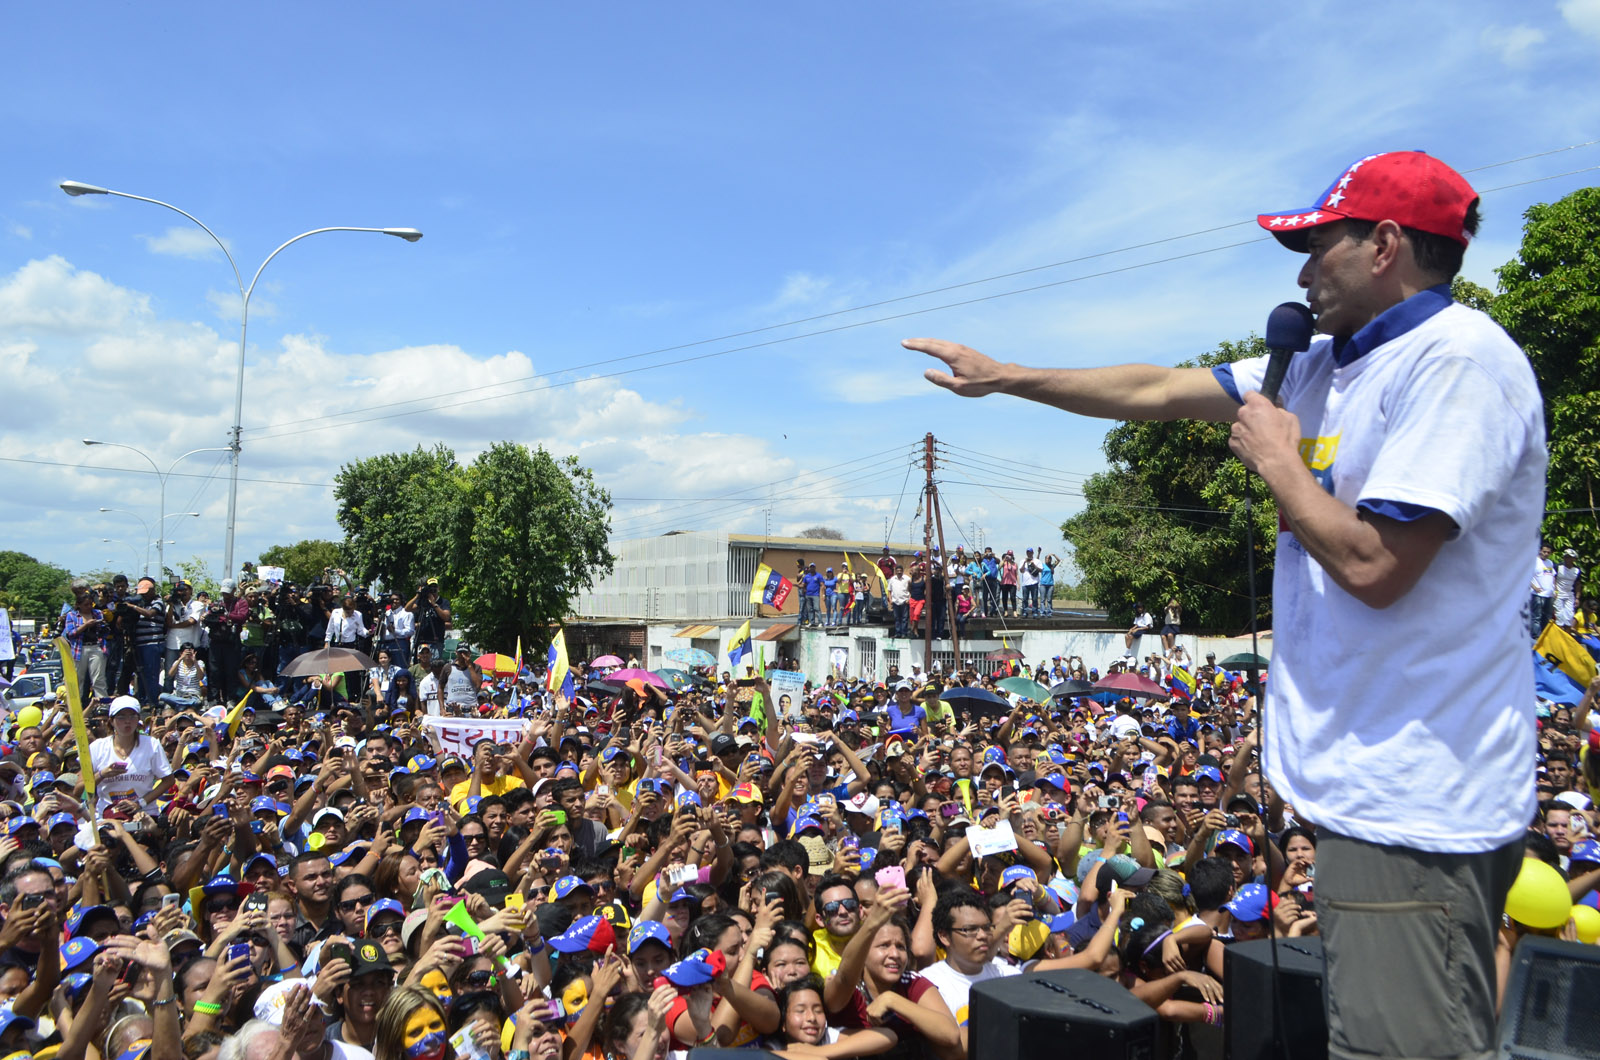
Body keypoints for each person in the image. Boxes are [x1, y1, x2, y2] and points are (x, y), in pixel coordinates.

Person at [909, 149, 1542, 1060]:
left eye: (1318, 246)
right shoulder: (1319, 364)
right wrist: (1011, 375)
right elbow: (1156, 389)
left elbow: (1377, 564)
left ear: (1387, 245)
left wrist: (1282, 465)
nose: (1301, 270)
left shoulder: (1458, 364)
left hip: (1418, 801)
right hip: (1368, 789)